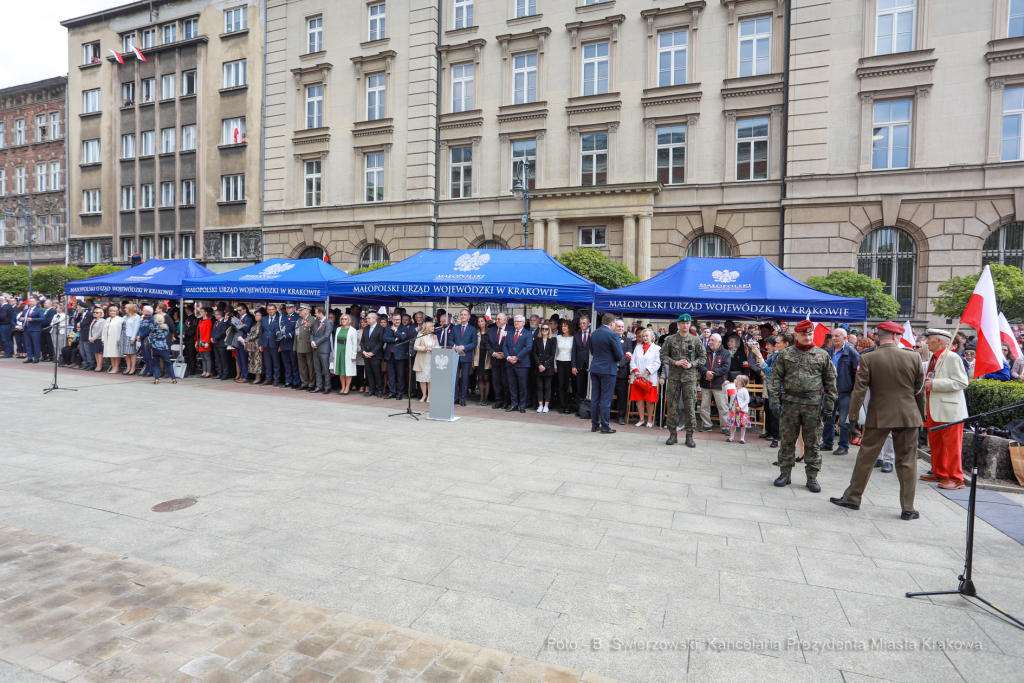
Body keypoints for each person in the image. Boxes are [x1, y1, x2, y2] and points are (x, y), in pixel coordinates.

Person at [831, 321, 927, 519]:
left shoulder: (869, 358)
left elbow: (859, 390)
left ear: (879, 337)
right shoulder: (913, 357)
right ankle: (908, 508)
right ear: (895, 337)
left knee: (866, 458)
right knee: (907, 462)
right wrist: (921, 415)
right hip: (909, 415)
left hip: (879, 415)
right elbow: (919, 391)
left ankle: (853, 498)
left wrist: (854, 416)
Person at [766, 319, 838, 492]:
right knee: (788, 440)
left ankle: (812, 476)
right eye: (804, 334)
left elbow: (830, 382)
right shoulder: (785, 354)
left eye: (810, 334)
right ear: (796, 336)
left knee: (812, 442)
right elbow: (775, 379)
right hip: (789, 404)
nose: (808, 337)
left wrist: (829, 405)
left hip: (812, 405)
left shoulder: (822, 355)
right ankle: (785, 473)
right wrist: (774, 401)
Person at [921, 329, 969, 490]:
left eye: (929, 339)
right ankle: (939, 472)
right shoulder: (936, 357)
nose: (926, 342)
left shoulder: (952, 357)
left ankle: (956, 479)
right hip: (937, 407)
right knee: (936, 443)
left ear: (939, 341)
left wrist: (935, 384)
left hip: (950, 410)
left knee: (952, 446)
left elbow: (962, 382)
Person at [661, 315, 707, 447]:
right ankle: (672, 434)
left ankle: (689, 436)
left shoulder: (695, 340)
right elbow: (663, 355)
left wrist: (692, 364)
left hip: (689, 378)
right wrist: (674, 362)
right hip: (674, 377)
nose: (685, 325)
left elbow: (703, 358)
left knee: (690, 407)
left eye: (687, 323)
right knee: (672, 406)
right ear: (679, 324)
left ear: (690, 324)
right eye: (683, 323)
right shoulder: (670, 339)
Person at [820, 327, 860, 456]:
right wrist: (822, 384)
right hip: (830, 391)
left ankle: (843, 446)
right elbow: (823, 371)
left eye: (837, 336)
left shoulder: (852, 353)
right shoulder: (828, 351)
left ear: (845, 338)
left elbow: (858, 373)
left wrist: (855, 389)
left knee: (843, 421)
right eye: (833, 335)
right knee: (828, 418)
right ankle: (827, 443)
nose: (834, 338)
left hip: (845, 392)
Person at [589, 313, 624, 434]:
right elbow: (620, 355)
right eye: (614, 323)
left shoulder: (594, 333)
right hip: (608, 370)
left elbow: (592, 351)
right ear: (611, 323)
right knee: (606, 399)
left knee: (595, 398)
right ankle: (604, 426)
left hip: (595, 368)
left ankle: (594, 424)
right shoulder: (613, 334)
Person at [698, 333, 732, 435]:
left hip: (719, 383)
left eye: (713, 340)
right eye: (710, 340)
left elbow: (726, 367)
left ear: (719, 342)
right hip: (705, 382)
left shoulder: (726, 353)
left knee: (722, 406)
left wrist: (713, 373)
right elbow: (700, 363)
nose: (710, 342)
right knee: (704, 406)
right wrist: (706, 372)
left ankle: (725, 426)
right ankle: (707, 425)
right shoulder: (704, 351)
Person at [630, 327, 660, 429]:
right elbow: (632, 361)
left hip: (649, 377)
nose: (645, 338)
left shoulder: (657, 348)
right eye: (643, 336)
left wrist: (647, 372)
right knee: (639, 399)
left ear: (652, 337)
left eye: (647, 336)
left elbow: (657, 363)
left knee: (649, 399)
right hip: (638, 378)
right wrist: (636, 372)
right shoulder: (637, 347)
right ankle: (641, 419)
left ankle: (650, 420)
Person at [503, 315, 533, 413]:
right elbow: (505, 346)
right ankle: (514, 404)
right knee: (512, 385)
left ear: (524, 323)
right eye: (515, 321)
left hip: (522, 364)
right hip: (510, 363)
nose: (516, 323)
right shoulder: (510, 333)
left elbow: (528, 347)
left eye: (519, 321)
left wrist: (517, 357)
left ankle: (522, 405)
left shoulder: (528, 333)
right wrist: (508, 357)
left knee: (522, 385)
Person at [450, 309, 477, 407]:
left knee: (465, 379)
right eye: (462, 315)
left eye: (465, 315)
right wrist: (455, 347)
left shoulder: (472, 329)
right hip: (456, 355)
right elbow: (450, 340)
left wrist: (464, 347)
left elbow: (474, 343)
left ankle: (463, 398)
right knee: (455, 378)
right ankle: (455, 397)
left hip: (466, 356)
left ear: (469, 317)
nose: (463, 316)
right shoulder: (455, 328)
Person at [383, 312, 412, 399]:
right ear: (392, 320)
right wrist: (396, 338)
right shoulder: (387, 328)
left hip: (400, 355)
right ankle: (392, 392)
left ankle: (400, 393)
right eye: (395, 319)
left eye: (399, 319)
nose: (397, 321)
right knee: (391, 375)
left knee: (400, 375)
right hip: (389, 354)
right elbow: (384, 338)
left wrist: (395, 331)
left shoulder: (404, 328)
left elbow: (403, 338)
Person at [612, 319, 636, 424]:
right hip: (610, 371)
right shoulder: (610, 338)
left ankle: (621, 416)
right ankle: (607, 413)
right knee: (608, 394)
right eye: (618, 326)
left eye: (622, 327)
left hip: (622, 372)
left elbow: (629, 354)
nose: (621, 328)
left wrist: (618, 364)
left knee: (622, 396)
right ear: (614, 327)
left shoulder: (628, 340)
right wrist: (613, 365)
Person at [144, 313, 177, 384]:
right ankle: (173, 379)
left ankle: (156, 379)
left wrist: (143, 318)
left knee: (155, 364)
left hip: (155, 347)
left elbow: (142, 324)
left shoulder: (152, 327)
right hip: (163, 347)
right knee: (168, 363)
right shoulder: (166, 327)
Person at [531, 320, 557, 413]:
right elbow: (534, 353)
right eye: (543, 329)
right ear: (540, 330)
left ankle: (546, 405)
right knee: (539, 387)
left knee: (547, 387)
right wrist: (539, 365)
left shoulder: (553, 340)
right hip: (538, 367)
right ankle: (540, 405)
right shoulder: (537, 339)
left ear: (549, 330)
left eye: (546, 329)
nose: (544, 330)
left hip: (548, 367)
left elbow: (552, 355)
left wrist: (545, 366)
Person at [571, 316, 592, 413]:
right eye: (580, 323)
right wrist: (573, 366)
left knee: (589, 388)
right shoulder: (577, 335)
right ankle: (579, 409)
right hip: (579, 365)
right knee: (579, 388)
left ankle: (589, 409)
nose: (582, 325)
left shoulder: (593, 334)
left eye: (584, 323)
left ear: (588, 323)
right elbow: (574, 352)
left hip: (590, 365)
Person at [309, 306, 332, 394]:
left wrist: (316, 343)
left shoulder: (328, 323)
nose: (314, 314)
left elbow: (326, 336)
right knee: (317, 369)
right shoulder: (316, 322)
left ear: (321, 313)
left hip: (324, 349)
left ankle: (327, 386)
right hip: (315, 349)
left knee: (325, 369)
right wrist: (312, 342)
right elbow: (312, 333)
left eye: (316, 312)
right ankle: (319, 386)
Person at [361, 312, 385, 397]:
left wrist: (372, 353)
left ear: (375, 319)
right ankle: (371, 390)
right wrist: (364, 351)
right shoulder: (366, 328)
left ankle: (379, 391)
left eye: (368, 318)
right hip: (366, 354)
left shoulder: (380, 329)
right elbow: (362, 341)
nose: (367, 320)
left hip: (376, 355)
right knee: (369, 373)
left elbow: (380, 342)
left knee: (377, 373)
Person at [334, 313, 359, 394]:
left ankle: (347, 388)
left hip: (348, 351)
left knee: (348, 370)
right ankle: (343, 387)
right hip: (339, 350)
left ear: (349, 320)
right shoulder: (338, 329)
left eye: (345, 319)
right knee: (341, 370)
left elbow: (355, 344)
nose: (344, 320)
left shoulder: (353, 330)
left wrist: (353, 355)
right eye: (342, 319)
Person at [259, 304, 284, 386]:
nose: (271, 311)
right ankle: (268, 379)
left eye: (272, 309)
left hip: (275, 343)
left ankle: (276, 379)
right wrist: (260, 344)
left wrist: (280, 345)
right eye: (269, 309)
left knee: (276, 363)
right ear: (267, 310)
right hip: (265, 344)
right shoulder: (264, 319)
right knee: (267, 363)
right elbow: (261, 332)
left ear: (276, 310)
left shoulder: (279, 319)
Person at [414, 321, 438, 402]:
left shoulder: (434, 336)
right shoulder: (420, 335)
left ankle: (429, 396)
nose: (433, 328)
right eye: (431, 327)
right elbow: (415, 347)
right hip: (422, 359)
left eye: (433, 326)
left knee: (430, 379)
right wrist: (424, 348)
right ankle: (424, 395)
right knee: (422, 379)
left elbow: (438, 347)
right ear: (427, 327)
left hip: (431, 359)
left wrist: (431, 349)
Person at [554, 319, 575, 414]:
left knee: (568, 386)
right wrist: (555, 365)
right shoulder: (558, 337)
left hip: (569, 362)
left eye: (565, 326)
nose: (563, 328)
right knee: (560, 385)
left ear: (569, 327)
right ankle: (561, 406)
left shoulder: (573, 338)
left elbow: (574, 353)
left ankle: (568, 406)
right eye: (562, 326)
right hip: (560, 362)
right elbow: (555, 353)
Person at [293, 304, 315, 390]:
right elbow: (296, 335)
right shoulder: (299, 320)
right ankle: (304, 383)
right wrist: (295, 347)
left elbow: (314, 334)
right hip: (299, 347)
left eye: (301, 310)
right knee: (302, 367)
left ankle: (311, 384)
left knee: (310, 366)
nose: (299, 312)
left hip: (308, 347)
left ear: (306, 310)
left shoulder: (312, 320)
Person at [231, 304, 254, 384]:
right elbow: (233, 327)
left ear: (245, 310)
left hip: (244, 340)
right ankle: (242, 375)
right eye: (237, 310)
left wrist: (236, 323)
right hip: (237, 339)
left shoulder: (248, 318)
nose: (238, 312)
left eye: (240, 310)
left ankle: (246, 376)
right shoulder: (237, 318)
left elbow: (246, 328)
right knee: (239, 359)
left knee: (244, 359)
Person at [280, 302, 300, 389]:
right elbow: (278, 327)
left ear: (294, 308)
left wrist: (287, 336)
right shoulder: (282, 316)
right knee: (286, 363)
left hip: (292, 343)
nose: (288, 309)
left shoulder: (297, 317)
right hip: (283, 343)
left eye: (290, 307)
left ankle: (296, 381)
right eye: (287, 308)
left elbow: (296, 330)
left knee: (294, 363)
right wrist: (278, 335)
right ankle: (288, 380)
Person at [727, 374, 751, 443]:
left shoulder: (744, 390)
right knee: (732, 423)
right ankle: (731, 437)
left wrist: (741, 407)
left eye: (736, 379)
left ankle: (742, 438)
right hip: (734, 409)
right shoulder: (733, 388)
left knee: (743, 424)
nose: (734, 380)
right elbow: (726, 391)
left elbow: (747, 400)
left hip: (742, 410)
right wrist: (725, 385)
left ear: (740, 382)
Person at [473, 316, 491, 405]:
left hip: (487, 357)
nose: (480, 323)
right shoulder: (476, 333)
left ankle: (486, 399)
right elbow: (473, 347)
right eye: (479, 321)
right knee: (480, 378)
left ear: (485, 322)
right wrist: (473, 360)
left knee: (486, 378)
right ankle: (481, 398)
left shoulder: (489, 332)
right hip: (478, 357)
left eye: (482, 321)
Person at [20, 297, 44, 363]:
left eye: (33, 301)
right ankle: (29, 357)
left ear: (36, 302)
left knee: (36, 344)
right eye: (30, 301)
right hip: (26, 329)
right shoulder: (25, 310)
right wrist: (20, 319)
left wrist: (32, 319)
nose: (31, 303)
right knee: (28, 344)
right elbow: (21, 317)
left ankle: (36, 358)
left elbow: (42, 318)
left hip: (35, 329)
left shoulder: (38, 310)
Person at [120, 303, 142, 374]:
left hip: (130, 335)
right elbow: (121, 327)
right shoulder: (125, 316)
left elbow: (136, 328)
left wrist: (133, 339)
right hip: (124, 335)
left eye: (126, 308)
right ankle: (128, 367)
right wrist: (118, 338)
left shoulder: (136, 317)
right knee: (127, 353)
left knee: (132, 353)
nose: (124, 309)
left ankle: (133, 368)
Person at [102, 304, 124, 374]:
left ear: (117, 312)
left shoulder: (120, 319)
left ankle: (116, 367)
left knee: (116, 354)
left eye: (114, 311)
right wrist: (103, 338)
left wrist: (120, 339)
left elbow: (121, 330)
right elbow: (104, 329)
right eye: (111, 311)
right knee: (111, 354)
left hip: (115, 338)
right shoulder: (107, 319)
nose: (112, 313)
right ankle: (113, 366)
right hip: (108, 339)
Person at [245, 308, 265, 385]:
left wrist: (246, 339)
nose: (256, 317)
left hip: (257, 344)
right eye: (256, 315)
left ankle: (258, 378)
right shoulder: (255, 324)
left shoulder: (260, 324)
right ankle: (256, 377)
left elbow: (256, 334)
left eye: (258, 315)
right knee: (253, 360)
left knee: (257, 361)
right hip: (253, 344)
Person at [210, 309, 231, 380]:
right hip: (215, 343)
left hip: (221, 343)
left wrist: (215, 338)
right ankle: (219, 373)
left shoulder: (224, 322)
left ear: (220, 315)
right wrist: (212, 338)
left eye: (216, 314)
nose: (215, 316)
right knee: (218, 359)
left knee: (223, 359)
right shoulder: (216, 322)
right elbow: (212, 330)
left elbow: (223, 332)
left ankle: (225, 374)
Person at [88, 306, 106, 371]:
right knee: (95, 353)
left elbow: (100, 331)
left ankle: (99, 366)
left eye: (97, 312)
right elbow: (90, 329)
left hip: (98, 339)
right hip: (92, 338)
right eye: (94, 312)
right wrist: (90, 337)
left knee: (99, 353)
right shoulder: (93, 320)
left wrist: (94, 338)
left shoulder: (102, 321)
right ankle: (97, 365)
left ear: (101, 313)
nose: (95, 313)